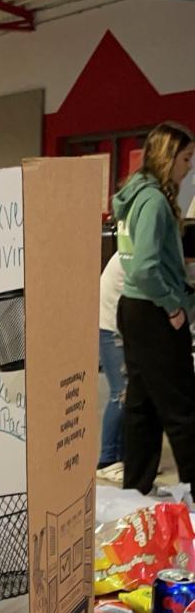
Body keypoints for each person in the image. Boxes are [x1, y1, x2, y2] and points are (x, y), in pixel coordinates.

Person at [113, 121, 195, 496]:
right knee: (181, 405)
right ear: (168, 157)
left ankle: (137, 488)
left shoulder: (135, 195)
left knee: (143, 403)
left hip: (135, 308)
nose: (189, 167)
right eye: (186, 158)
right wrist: (172, 305)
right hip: (153, 311)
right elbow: (145, 268)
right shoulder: (155, 202)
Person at [97, 251, 126, 483]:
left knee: (129, 394)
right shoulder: (135, 251)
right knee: (120, 393)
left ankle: (124, 458)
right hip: (111, 328)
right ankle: (107, 461)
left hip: (119, 326)